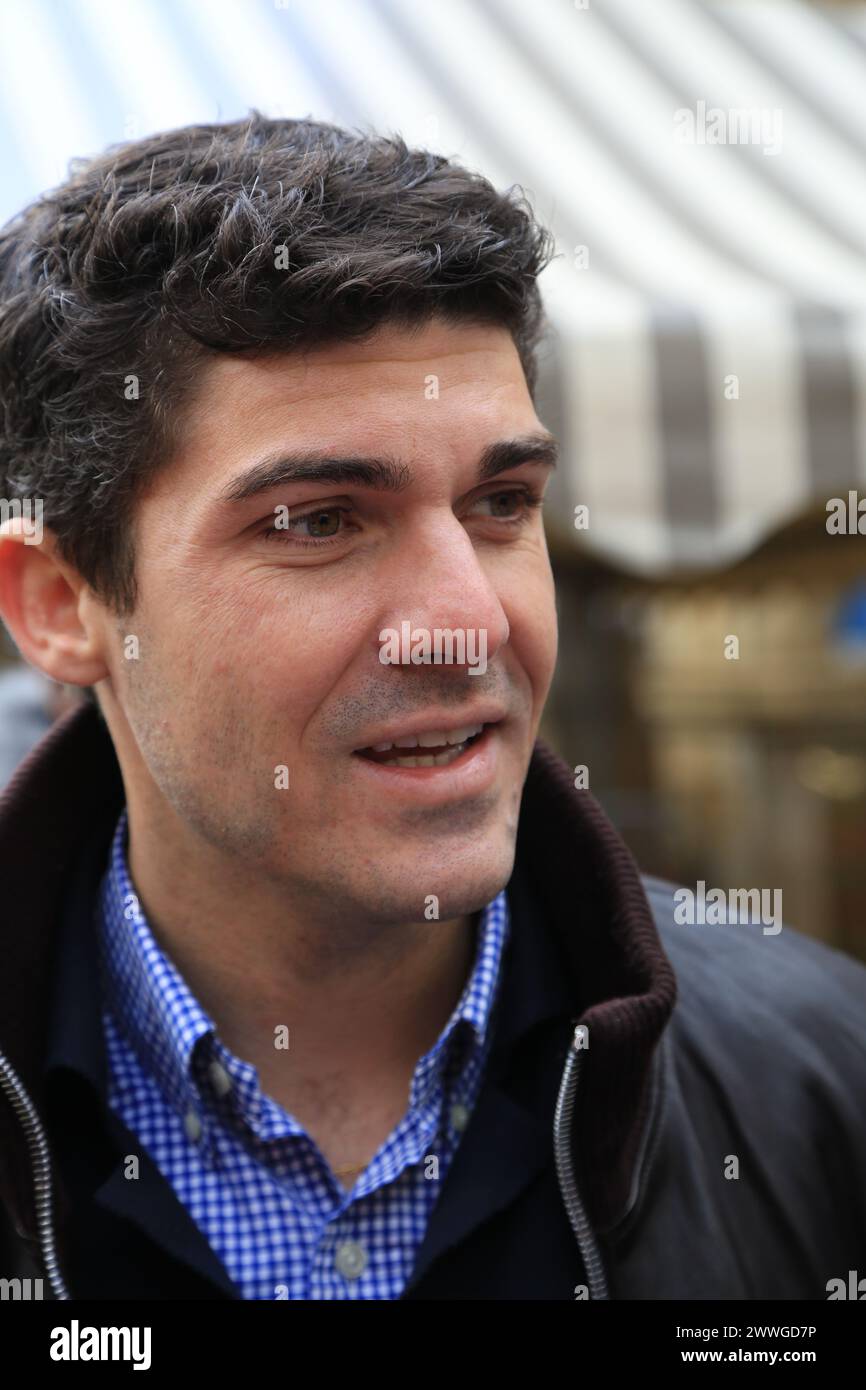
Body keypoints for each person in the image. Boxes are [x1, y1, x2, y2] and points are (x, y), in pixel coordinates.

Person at [0, 111, 863, 1303]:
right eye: (318, 520)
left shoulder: (820, 1075)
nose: (467, 621)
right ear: (59, 604)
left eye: (501, 501)